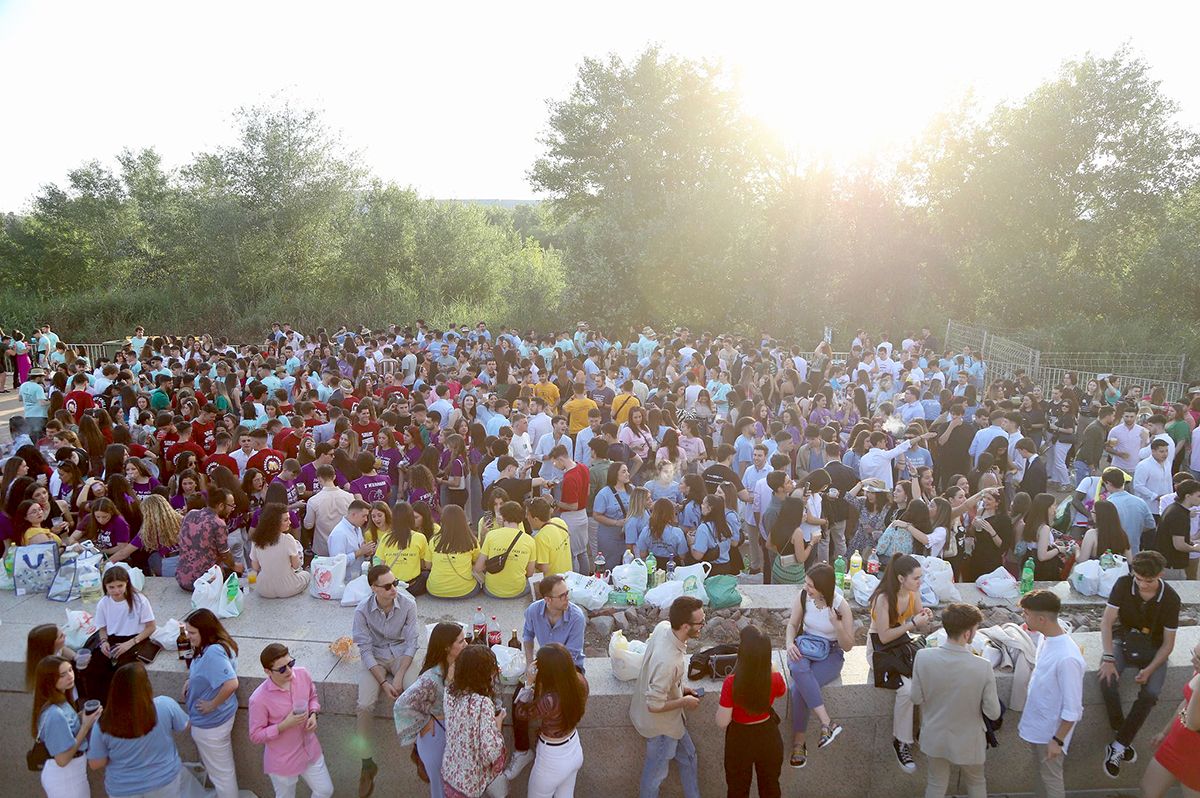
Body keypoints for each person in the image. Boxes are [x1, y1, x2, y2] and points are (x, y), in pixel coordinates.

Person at [1099, 550, 1180, 778]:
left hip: (1154, 647)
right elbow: (1106, 622)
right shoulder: (1124, 584)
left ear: (1160, 575)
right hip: (1123, 637)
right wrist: (1107, 657)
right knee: (1107, 678)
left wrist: (1150, 669)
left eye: (1149, 581)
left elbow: (1168, 645)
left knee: (1151, 692)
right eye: (1139, 579)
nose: (1143, 585)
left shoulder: (1171, 598)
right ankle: (1121, 735)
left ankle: (1118, 745)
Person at [910, 602, 1001, 798]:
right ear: (968, 633)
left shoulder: (923, 657)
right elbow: (993, 712)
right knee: (976, 783)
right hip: (970, 740)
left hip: (934, 736)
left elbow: (916, 697)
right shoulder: (982, 666)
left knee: (935, 784)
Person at [508, 574, 587, 780]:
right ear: (547, 600)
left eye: (567, 593)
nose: (566, 598)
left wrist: (541, 680)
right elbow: (527, 636)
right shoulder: (534, 610)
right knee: (518, 697)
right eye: (561, 595)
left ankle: (557, 741)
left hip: (569, 668)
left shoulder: (576, 617)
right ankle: (522, 750)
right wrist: (529, 667)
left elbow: (571, 656)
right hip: (544, 664)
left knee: (556, 701)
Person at [352, 563, 420, 797]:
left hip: (402, 655)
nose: (394, 589)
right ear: (374, 588)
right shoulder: (362, 610)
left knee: (416, 692)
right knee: (364, 705)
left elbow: (412, 643)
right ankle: (366, 763)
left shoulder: (408, 604)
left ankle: (419, 749)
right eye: (388, 586)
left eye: (396, 583)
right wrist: (383, 682)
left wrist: (399, 676)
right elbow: (365, 649)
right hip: (377, 658)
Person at [631, 595, 704, 798]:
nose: (703, 626)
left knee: (689, 757)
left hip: (671, 723)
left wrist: (681, 688)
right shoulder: (668, 661)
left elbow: (663, 680)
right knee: (654, 777)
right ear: (684, 626)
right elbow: (653, 705)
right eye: (699, 623)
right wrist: (684, 701)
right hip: (662, 729)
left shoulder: (664, 627)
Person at [868, 553, 933, 774]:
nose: (920, 582)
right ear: (900, 578)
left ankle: (926, 732)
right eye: (916, 578)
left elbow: (920, 626)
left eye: (920, 577)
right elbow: (884, 636)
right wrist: (913, 623)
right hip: (879, 648)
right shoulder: (883, 598)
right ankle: (901, 741)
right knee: (906, 689)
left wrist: (925, 618)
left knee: (927, 678)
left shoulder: (913, 594)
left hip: (901, 645)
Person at [1017, 589, 1085, 798]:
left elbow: (1073, 708)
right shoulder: (1046, 638)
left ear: (1041, 619)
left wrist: (1058, 740)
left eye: (1026, 613)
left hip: (1051, 733)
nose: (1023, 617)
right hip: (1039, 726)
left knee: (1051, 780)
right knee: (1042, 777)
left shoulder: (1067, 658)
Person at [87, 662, 191, 798]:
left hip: (123, 788)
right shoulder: (165, 705)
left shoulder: (103, 723)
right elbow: (186, 725)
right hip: (165, 781)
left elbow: (95, 763)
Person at [784, 563, 853, 768]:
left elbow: (848, 645)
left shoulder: (841, 606)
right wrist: (789, 643)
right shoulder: (803, 597)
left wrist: (837, 625)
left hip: (831, 653)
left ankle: (799, 742)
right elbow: (792, 625)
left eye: (811, 585)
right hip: (805, 646)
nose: (806, 588)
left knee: (799, 687)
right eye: (806, 583)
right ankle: (827, 723)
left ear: (823, 587)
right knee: (797, 668)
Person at [248, 642, 333, 798]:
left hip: (309, 749)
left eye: (290, 663)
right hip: (283, 760)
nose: (289, 671)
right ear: (267, 671)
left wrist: (313, 714)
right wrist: (283, 726)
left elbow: (312, 697)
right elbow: (255, 735)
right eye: (282, 669)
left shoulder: (303, 674)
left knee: (325, 790)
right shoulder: (258, 699)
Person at [395, 623, 468, 798]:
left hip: (451, 732)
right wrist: (425, 721)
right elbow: (401, 705)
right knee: (442, 790)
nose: (466, 644)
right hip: (437, 737)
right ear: (447, 647)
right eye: (461, 641)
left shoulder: (458, 665)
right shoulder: (431, 678)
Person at [716, 624, 785, 798]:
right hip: (769, 736)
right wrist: (771, 667)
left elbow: (722, 722)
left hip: (740, 739)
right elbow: (782, 691)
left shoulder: (731, 683)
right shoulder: (774, 678)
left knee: (737, 790)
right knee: (770, 787)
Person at [514, 643, 589, 798]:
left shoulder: (549, 699)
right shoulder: (580, 681)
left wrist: (528, 683)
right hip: (574, 748)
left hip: (552, 759)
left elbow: (521, 713)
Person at [181, 609, 240, 798]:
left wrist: (211, 704)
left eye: (192, 633)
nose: (188, 637)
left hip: (211, 724)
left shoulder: (213, 652)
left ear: (205, 631)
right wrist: (192, 680)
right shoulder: (218, 646)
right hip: (217, 720)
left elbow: (231, 683)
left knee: (221, 775)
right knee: (222, 772)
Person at [80, 566, 157, 704]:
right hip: (112, 638)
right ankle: (99, 705)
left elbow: (151, 627)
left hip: (135, 638)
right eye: (112, 587)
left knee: (122, 672)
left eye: (120, 586)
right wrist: (104, 642)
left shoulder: (139, 600)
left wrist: (130, 643)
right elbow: (102, 628)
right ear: (106, 587)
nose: (116, 591)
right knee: (94, 667)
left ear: (127, 583)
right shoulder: (104, 603)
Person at [442, 644, 509, 798]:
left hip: (451, 777)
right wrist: (497, 725)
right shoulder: (482, 704)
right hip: (471, 785)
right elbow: (490, 752)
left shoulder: (450, 692)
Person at [31, 654, 98, 798]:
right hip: (66, 778)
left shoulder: (60, 701)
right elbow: (62, 759)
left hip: (72, 774)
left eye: (70, 670)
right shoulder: (55, 713)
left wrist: (81, 717)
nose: (70, 676)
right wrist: (85, 726)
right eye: (62, 675)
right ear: (50, 681)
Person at [1141, 640, 1200, 797]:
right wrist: (1164, 732)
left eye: (1199, 658)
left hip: (1196, 756)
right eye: (1193, 653)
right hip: (1175, 742)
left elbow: (1193, 724)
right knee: (1149, 789)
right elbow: (1185, 703)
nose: (1193, 660)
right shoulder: (1197, 671)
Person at [176, 487, 240, 591]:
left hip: (182, 579)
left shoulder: (190, 514)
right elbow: (225, 554)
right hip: (203, 582)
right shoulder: (218, 523)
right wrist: (235, 566)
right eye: (231, 505)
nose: (232, 509)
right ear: (220, 506)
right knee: (235, 574)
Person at [473, 500, 536, 599]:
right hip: (517, 590)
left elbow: (478, 568)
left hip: (492, 590)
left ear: (503, 516)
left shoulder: (491, 535)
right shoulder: (530, 540)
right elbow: (530, 573)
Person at [249, 502, 311, 598]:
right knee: (306, 574)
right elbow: (296, 566)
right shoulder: (288, 539)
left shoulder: (256, 540)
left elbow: (255, 567)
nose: (290, 523)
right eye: (286, 520)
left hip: (264, 589)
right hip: (288, 588)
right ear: (274, 522)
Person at [374, 501, 432, 595]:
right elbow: (424, 565)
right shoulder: (419, 537)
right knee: (426, 574)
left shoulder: (386, 537)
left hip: (392, 586)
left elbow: (382, 564)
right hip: (413, 587)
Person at [427, 505, 482, 599]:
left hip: (435, 590)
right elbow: (477, 562)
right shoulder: (471, 541)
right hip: (465, 590)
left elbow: (428, 566)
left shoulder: (434, 541)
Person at [302, 463, 354, 557]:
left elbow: (308, 525)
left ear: (319, 479)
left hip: (322, 548)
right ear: (334, 477)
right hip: (345, 546)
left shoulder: (313, 501)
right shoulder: (349, 497)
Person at [1154, 479, 1200, 579]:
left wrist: (1191, 542)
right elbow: (1179, 545)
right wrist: (1195, 548)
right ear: (1188, 496)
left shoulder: (1174, 508)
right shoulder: (1179, 515)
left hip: (1166, 563)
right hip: (1172, 566)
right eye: (1198, 496)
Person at [525, 497, 573, 576]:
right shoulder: (559, 521)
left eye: (528, 514)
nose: (526, 517)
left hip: (553, 583)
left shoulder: (540, 538)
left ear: (536, 519)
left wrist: (530, 561)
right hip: (568, 576)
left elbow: (544, 569)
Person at [329, 499, 374, 581]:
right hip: (344, 582)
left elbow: (360, 550)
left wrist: (366, 553)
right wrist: (360, 552)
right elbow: (337, 563)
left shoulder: (358, 528)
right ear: (354, 514)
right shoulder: (339, 534)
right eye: (364, 516)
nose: (366, 519)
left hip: (357, 578)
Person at [1075, 499, 1131, 564]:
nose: (1091, 513)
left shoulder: (1091, 534)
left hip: (1097, 572)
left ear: (1098, 515)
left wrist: (1077, 550)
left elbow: (1082, 560)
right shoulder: (1122, 534)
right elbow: (1129, 560)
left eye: (1092, 511)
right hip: (1118, 573)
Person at [26, 623, 75, 691]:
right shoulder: (48, 670)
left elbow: (62, 649)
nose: (65, 635)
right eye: (61, 636)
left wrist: (76, 657)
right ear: (51, 644)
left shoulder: (55, 650)